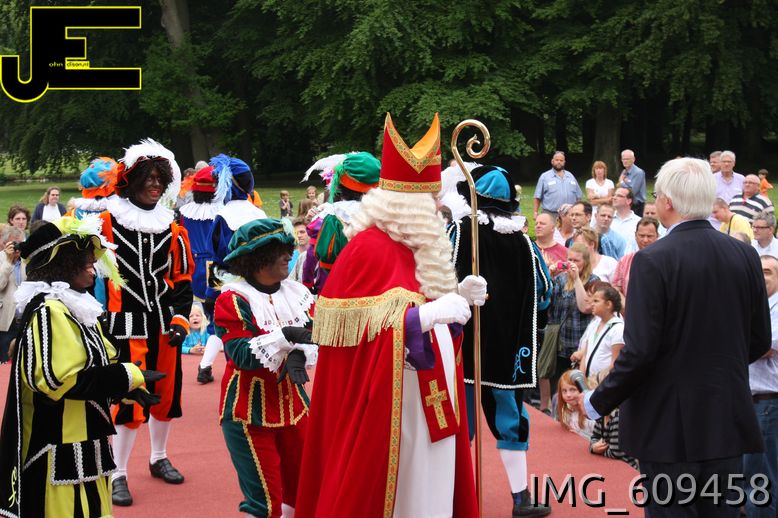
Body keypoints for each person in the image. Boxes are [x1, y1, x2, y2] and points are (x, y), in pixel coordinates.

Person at [296, 113, 478, 518]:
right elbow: (363, 343)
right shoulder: (367, 249)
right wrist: (426, 317)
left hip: (432, 397)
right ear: (407, 206)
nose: (438, 207)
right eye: (430, 201)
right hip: (394, 409)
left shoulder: (421, 248)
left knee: (433, 487)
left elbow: (432, 321)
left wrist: (458, 303)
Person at [581, 157, 771, 517]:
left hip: (668, 424)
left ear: (667, 202)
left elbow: (641, 351)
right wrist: (716, 366)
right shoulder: (745, 255)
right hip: (725, 415)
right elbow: (759, 338)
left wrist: (597, 401)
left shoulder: (653, 260)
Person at [0, 215, 163, 518]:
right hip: (58, 449)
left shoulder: (75, 306)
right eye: (86, 263)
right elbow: (59, 381)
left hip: (86, 442)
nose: (93, 269)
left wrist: (124, 390)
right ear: (63, 265)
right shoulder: (50, 310)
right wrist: (126, 376)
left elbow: (99, 361)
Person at [449, 164, 551, 517]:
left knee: (460, 423)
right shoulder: (524, 242)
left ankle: (453, 499)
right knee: (510, 420)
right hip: (509, 349)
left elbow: (434, 280)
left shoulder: (458, 231)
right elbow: (544, 291)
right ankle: (520, 498)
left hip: (464, 346)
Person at [100, 139, 195, 507]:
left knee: (166, 394)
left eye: (160, 178)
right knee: (129, 397)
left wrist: (180, 319)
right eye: (148, 177)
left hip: (162, 324)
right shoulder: (107, 222)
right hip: (123, 324)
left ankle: (158, 457)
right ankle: (118, 473)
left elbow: (181, 280)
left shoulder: (172, 228)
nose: (155, 184)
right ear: (132, 179)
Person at [214, 218, 316, 518]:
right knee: (264, 502)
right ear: (257, 258)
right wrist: (286, 337)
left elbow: (315, 334)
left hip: (295, 407)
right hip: (249, 413)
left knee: (307, 490)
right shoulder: (233, 299)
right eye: (279, 250)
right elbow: (241, 355)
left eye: (288, 248)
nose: (288, 255)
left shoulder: (296, 294)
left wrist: (299, 355)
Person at [539, 242, 598, 413]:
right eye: (569, 260)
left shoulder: (593, 281)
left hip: (578, 341)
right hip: (559, 341)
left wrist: (577, 279)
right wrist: (548, 276)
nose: (572, 264)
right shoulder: (561, 279)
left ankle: (578, 415)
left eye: (576, 261)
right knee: (556, 381)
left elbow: (584, 307)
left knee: (576, 383)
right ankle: (555, 412)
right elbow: (544, 302)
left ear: (585, 262)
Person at [742, 254, 778, 517]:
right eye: (759, 271)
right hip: (746, 400)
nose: (762, 277)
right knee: (748, 473)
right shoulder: (752, 306)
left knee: (763, 476)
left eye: (768, 272)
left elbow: (764, 346)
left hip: (767, 402)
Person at [570, 284, 624, 381]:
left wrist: (598, 380)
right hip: (588, 381)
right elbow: (585, 354)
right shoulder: (595, 324)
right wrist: (582, 380)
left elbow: (615, 363)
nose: (592, 304)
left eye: (596, 301)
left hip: (602, 382)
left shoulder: (618, 328)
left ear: (608, 304)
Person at [611, 217, 660, 304]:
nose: (645, 240)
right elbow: (616, 288)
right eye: (641, 236)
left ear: (657, 236)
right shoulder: (625, 261)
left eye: (649, 236)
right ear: (635, 235)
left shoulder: (663, 261)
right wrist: (627, 306)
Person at [0, 225, 25, 362]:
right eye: (13, 243)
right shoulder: (1, 259)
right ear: (5, 244)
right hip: (5, 322)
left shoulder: (27, 261)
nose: (17, 247)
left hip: (24, 320)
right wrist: (9, 262)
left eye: (20, 243)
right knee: (3, 363)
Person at [533, 151, 582, 218]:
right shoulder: (544, 177)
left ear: (564, 162)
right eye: (557, 160)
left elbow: (578, 196)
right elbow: (537, 197)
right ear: (552, 161)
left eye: (561, 160)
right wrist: (535, 212)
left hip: (569, 214)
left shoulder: (570, 176)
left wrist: (578, 211)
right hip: (550, 215)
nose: (559, 162)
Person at [556, 370, 595, 439]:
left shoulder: (591, 416)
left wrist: (579, 435)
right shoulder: (566, 412)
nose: (568, 395)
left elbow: (599, 440)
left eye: (573, 390)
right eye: (564, 391)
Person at [534, 212, 568, 277]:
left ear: (552, 228)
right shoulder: (529, 249)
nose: (538, 226)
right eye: (536, 224)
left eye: (542, 224)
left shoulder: (565, 252)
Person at [617, 149, 646, 216]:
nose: (625, 161)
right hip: (626, 204)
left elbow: (633, 191)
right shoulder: (624, 172)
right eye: (623, 159)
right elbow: (618, 186)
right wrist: (622, 183)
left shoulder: (638, 172)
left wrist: (622, 182)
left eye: (627, 159)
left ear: (633, 159)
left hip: (637, 206)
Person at [288, 216, 309, 282]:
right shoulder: (288, 257)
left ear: (310, 232)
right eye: (296, 233)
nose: (299, 235)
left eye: (302, 232)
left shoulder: (317, 256)